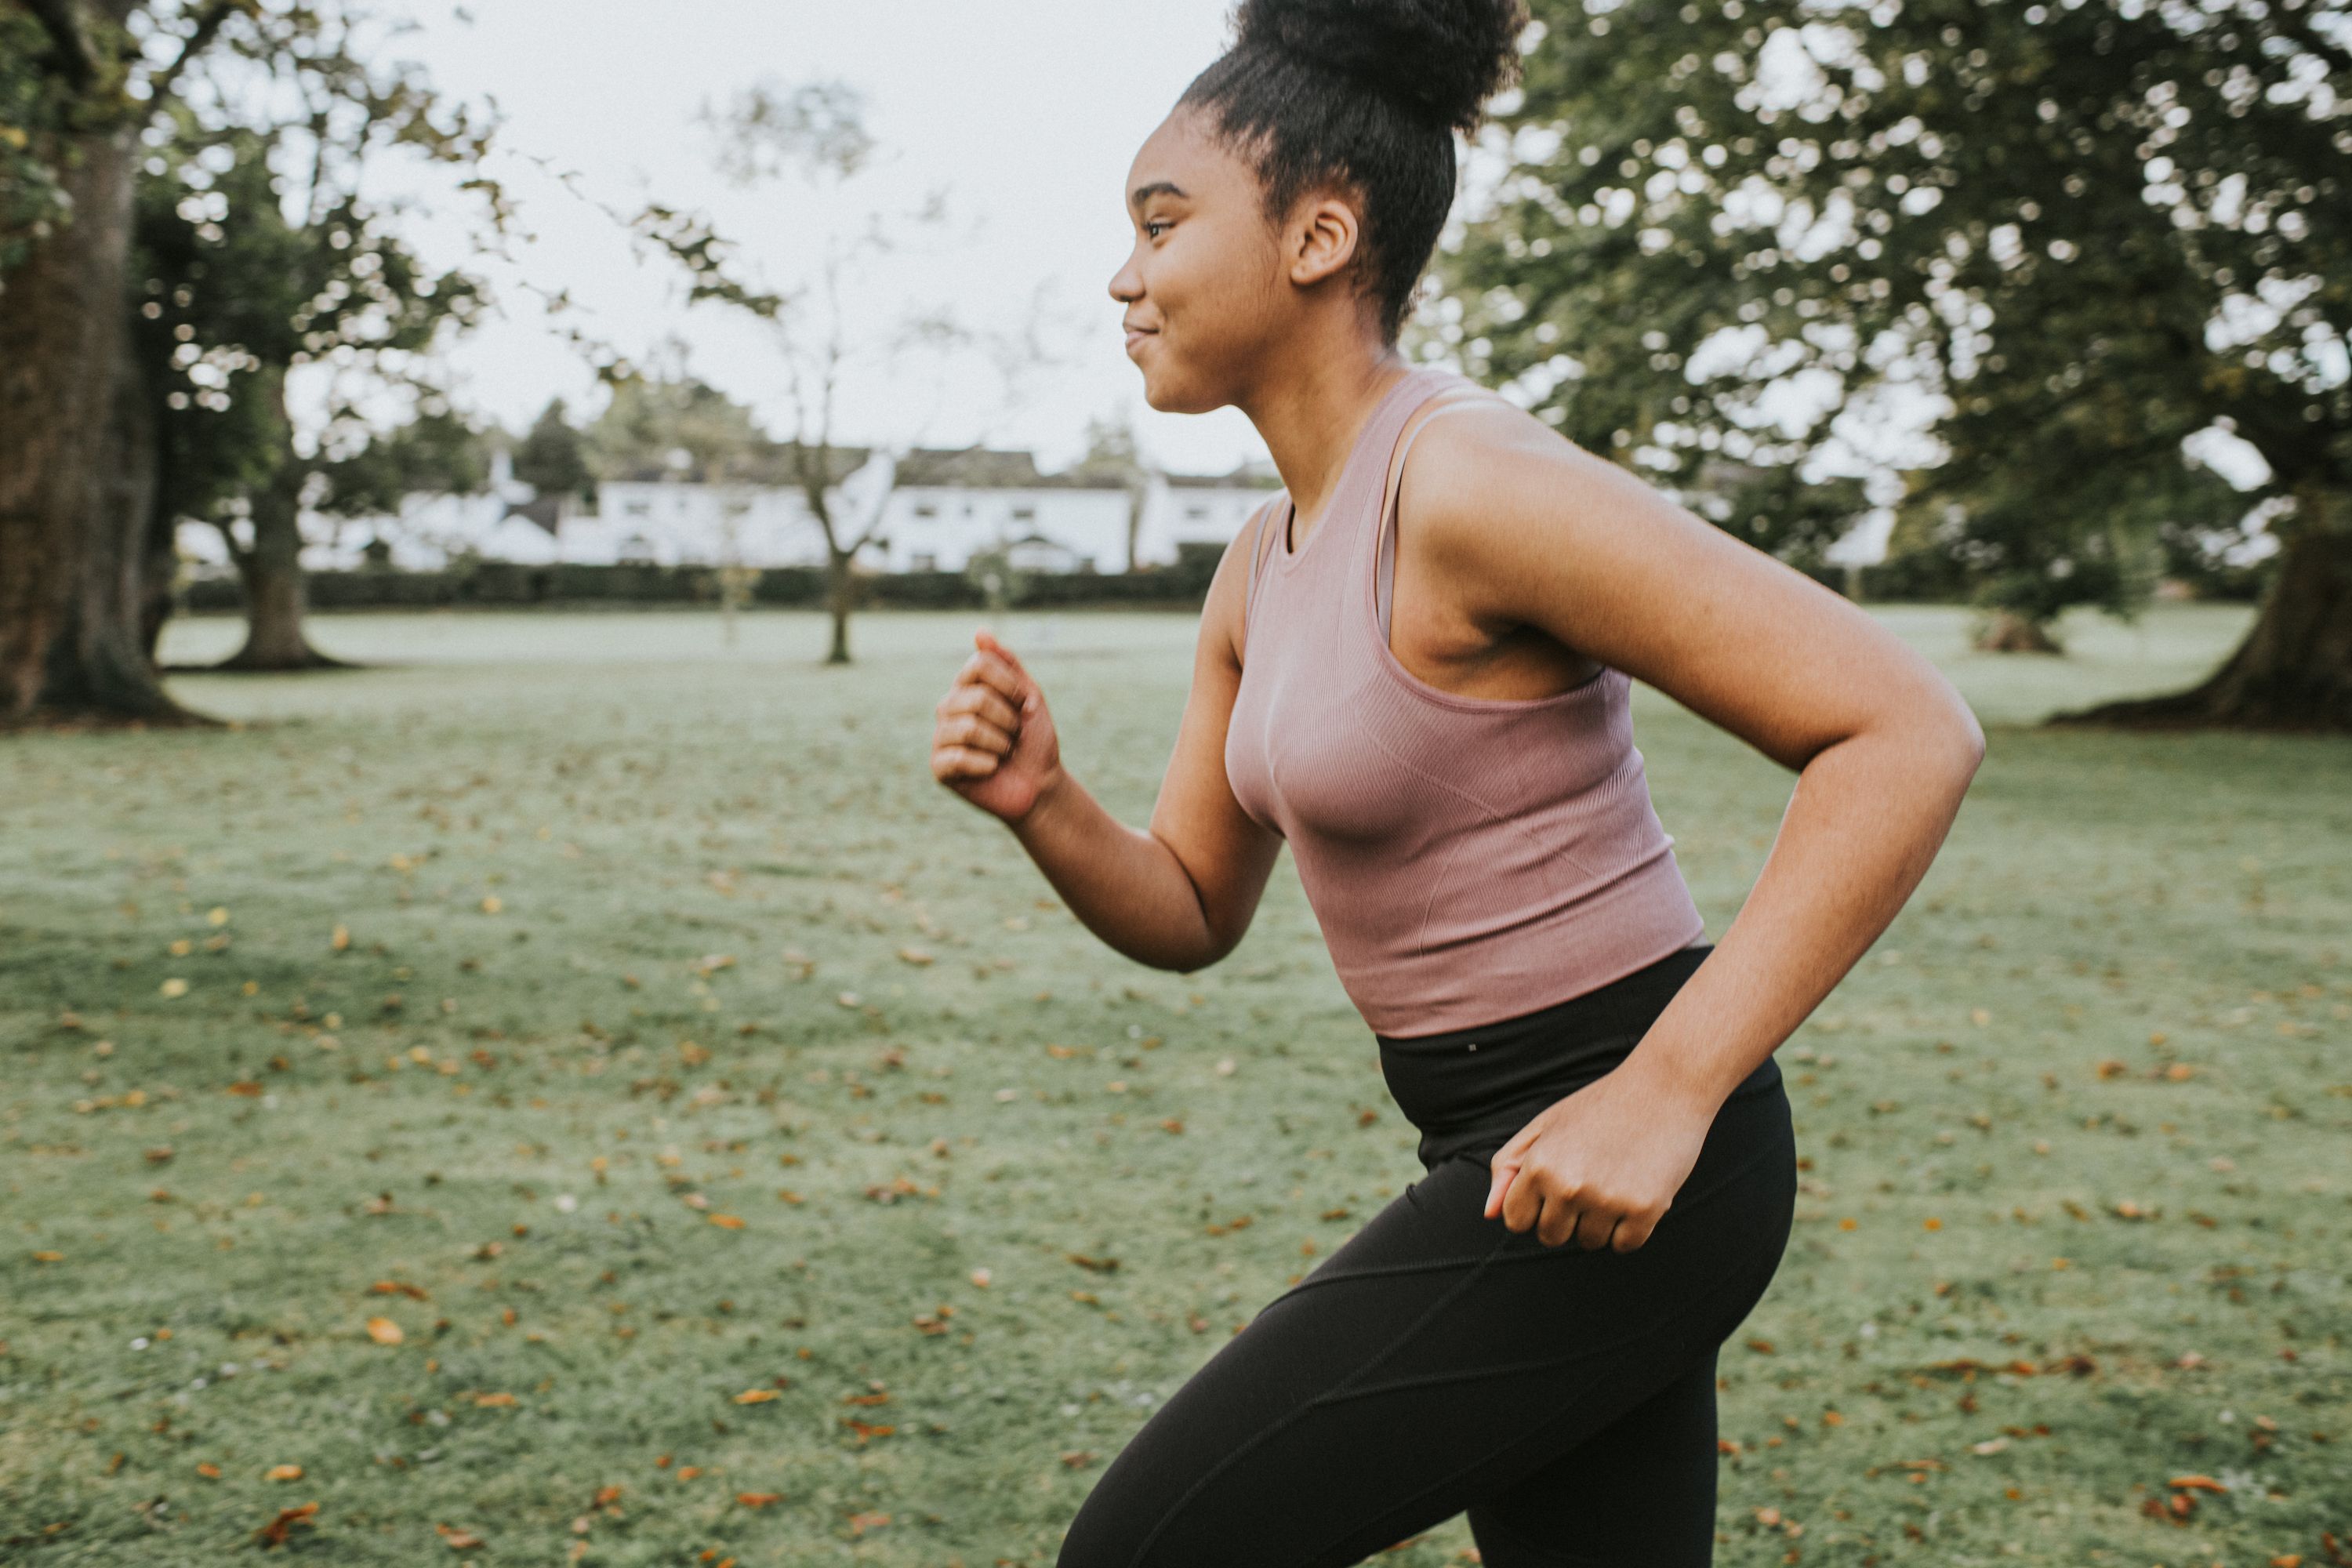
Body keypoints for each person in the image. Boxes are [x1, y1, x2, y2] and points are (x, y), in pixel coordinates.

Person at [927, 1, 1986, 1561]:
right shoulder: (1259, 566)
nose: (1123, 276)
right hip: (1501, 1147)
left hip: (1639, 1143)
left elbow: (1905, 728)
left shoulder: (1473, 482)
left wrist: (1663, 1094)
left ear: (1320, 234)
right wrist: (1047, 806)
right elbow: (1195, 904)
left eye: (1163, 222)